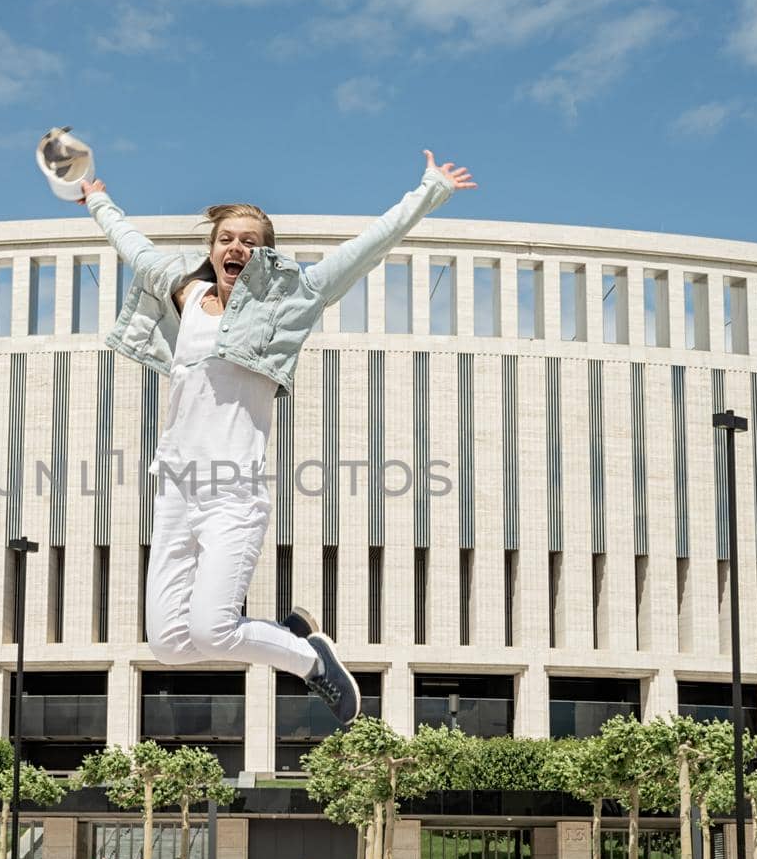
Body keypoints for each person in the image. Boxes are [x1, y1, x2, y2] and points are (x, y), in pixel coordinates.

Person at [80, 152, 476, 722]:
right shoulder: (185, 294)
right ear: (212, 248)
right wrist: (96, 199)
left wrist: (429, 190)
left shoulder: (293, 298)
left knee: (215, 630)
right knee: (168, 644)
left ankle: (309, 660)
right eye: (225, 239)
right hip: (172, 487)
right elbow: (133, 246)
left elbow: (369, 246)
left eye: (249, 241)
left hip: (232, 492)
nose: (235, 248)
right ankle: (284, 634)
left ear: (264, 253)